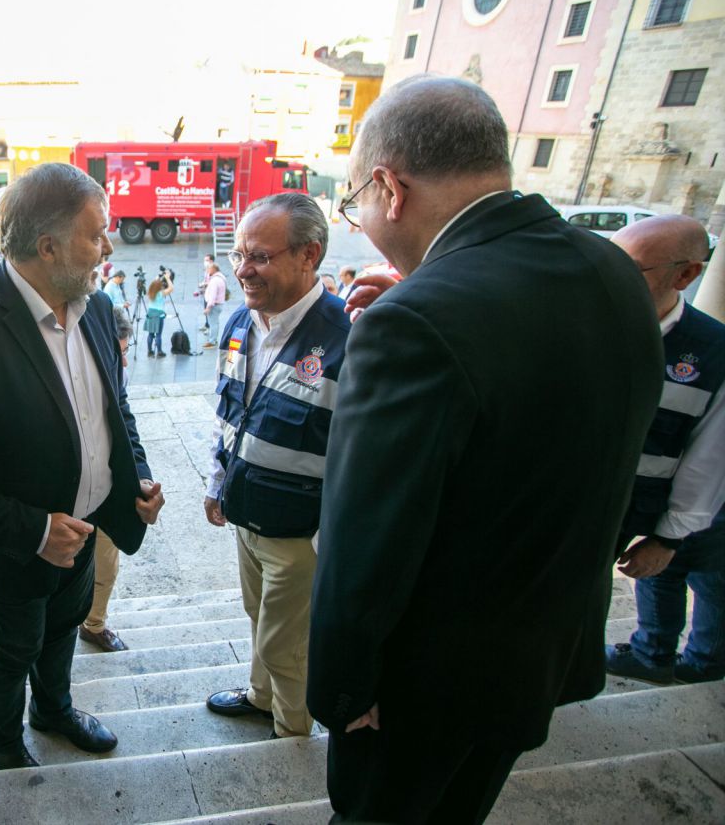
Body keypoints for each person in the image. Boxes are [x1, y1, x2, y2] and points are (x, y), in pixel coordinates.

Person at [307, 75, 664, 824]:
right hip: (538, 656)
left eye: (355, 204)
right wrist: (425, 283)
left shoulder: (410, 326)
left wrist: (344, 691)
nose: (361, 221)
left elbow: (365, 545)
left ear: (389, 188)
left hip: (420, 688)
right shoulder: (616, 273)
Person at [0, 162, 165, 771]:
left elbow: (114, 405)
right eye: (96, 234)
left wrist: (135, 476)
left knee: (63, 630)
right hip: (14, 553)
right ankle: (3, 741)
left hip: (85, 531)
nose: (109, 246)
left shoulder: (97, 307)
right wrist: (31, 530)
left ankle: (53, 711)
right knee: (10, 653)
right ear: (47, 246)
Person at [202, 193, 349, 739]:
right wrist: (218, 483)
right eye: (241, 254)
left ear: (309, 254)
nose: (243, 270)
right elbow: (226, 413)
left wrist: (323, 539)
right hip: (246, 517)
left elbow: (361, 457)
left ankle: (291, 734)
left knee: (283, 644)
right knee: (256, 618)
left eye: (260, 256)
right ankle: (261, 699)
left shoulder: (348, 337)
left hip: (299, 536)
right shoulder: (240, 323)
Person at [605, 215, 725, 686]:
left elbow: (709, 459)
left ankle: (665, 657)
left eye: (632, 270)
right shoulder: (582, 319)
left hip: (629, 511)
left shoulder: (712, 354)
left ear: (686, 275)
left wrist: (668, 538)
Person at [80, 306, 137, 653]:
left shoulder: (117, 371)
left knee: (106, 564)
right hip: (65, 497)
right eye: (120, 353)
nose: (125, 363)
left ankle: (94, 623)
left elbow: (125, 418)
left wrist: (139, 475)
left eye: (127, 351)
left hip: (107, 488)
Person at [145, 274, 172, 357]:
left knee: (150, 334)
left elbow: (154, 284)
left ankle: (149, 351)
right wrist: (167, 278)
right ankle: (159, 351)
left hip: (150, 313)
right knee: (158, 334)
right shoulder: (161, 293)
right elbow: (171, 288)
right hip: (158, 314)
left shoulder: (150, 292)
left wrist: (157, 278)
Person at [202, 261, 227, 349]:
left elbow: (213, 295)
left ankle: (212, 341)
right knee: (215, 323)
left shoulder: (215, 280)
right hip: (219, 304)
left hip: (214, 305)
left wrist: (208, 307)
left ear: (213, 269)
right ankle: (213, 339)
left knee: (213, 324)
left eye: (208, 269)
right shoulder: (221, 277)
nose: (207, 270)